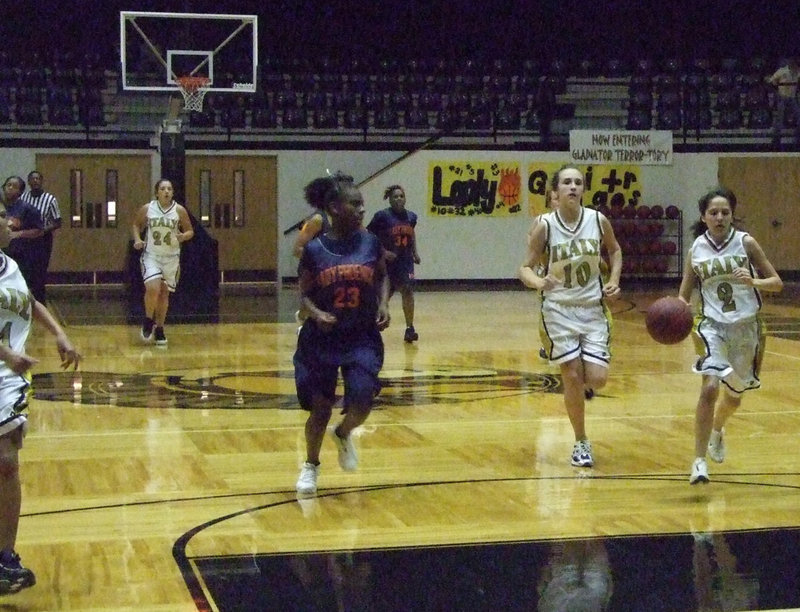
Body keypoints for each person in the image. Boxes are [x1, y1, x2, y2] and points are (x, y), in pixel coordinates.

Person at [0, 200, 81, 595]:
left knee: (7, 463)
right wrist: (7, 354)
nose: (9, 223)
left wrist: (60, 334)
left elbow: (30, 302)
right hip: (7, 364)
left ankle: (5, 556)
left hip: (7, 380)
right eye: (3, 218)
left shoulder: (10, 266)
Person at [519, 164, 622, 467]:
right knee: (572, 376)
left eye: (578, 182)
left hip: (592, 309)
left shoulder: (598, 220)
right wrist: (540, 282)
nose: (573, 187)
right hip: (558, 310)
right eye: (567, 182)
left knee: (598, 379)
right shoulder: (545, 226)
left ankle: (583, 387)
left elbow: (615, 251)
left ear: (583, 190)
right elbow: (524, 267)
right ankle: (581, 442)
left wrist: (614, 278)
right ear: (556, 191)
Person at [678, 187, 782, 484]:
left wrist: (755, 281)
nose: (720, 217)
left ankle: (717, 431)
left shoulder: (746, 243)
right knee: (709, 387)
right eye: (714, 212)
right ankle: (698, 462)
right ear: (704, 217)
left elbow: (776, 283)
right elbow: (684, 296)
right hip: (712, 326)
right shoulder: (696, 249)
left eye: (725, 212)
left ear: (732, 215)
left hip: (746, 328)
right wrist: (674, 316)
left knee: (734, 398)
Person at [294, 172, 390, 496]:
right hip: (322, 338)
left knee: (363, 400)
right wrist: (317, 313)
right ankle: (310, 465)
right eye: (355, 204)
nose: (362, 210)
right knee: (320, 408)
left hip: (360, 335)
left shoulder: (370, 243)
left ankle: (344, 432)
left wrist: (384, 305)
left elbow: (382, 277)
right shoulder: (315, 249)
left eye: (363, 204)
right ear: (334, 208)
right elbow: (303, 294)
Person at [131, 179, 194, 346]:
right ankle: (147, 320)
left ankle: (160, 328)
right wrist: (137, 239)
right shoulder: (148, 208)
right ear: (157, 192)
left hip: (171, 257)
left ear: (173, 192)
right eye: (163, 188)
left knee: (164, 293)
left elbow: (190, 231)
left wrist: (183, 236)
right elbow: (136, 225)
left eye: (169, 189)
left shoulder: (179, 210)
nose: (166, 191)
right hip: (151, 255)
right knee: (153, 288)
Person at [366, 185, 420, 343]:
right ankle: (371, 327)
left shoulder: (411, 217)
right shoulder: (382, 216)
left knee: (408, 290)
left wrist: (415, 252)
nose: (398, 199)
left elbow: (412, 234)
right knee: (383, 296)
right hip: (387, 263)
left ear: (405, 198)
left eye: (401, 196)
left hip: (405, 261)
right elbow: (369, 234)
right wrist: (382, 251)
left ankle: (410, 328)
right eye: (395, 196)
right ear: (389, 200)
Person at [20, 170, 61, 305]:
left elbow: (57, 222)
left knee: (40, 270)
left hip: (43, 240)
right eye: (33, 179)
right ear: (29, 182)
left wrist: (43, 230)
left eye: (38, 178)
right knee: (26, 269)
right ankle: (26, 301)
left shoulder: (50, 199)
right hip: (26, 238)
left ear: (41, 181)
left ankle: (40, 302)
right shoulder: (23, 198)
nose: (35, 181)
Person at [2, 177, 45, 304]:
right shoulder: (1, 208)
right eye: (8, 185)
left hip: (20, 256)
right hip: (2, 254)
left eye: (14, 186)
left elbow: (39, 230)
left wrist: (19, 234)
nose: (10, 188)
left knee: (21, 289)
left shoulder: (27, 209)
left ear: (20, 192)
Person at [766, 57, 800, 144]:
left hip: (792, 98)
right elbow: (771, 81)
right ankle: (776, 139)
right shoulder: (782, 71)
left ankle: (797, 138)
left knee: (799, 117)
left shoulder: (798, 71)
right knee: (780, 119)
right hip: (782, 97)